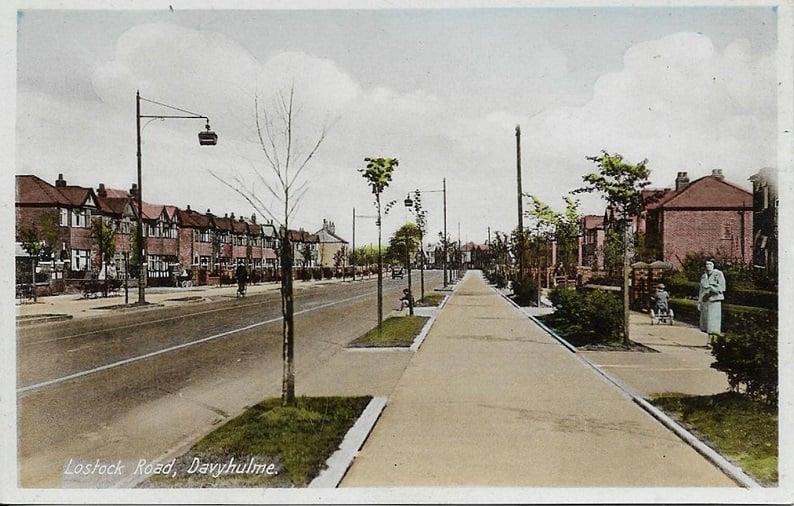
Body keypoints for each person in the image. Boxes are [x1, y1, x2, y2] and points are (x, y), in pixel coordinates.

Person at [698, 258, 726, 339]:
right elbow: (701, 290)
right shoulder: (704, 276)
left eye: (710, 264)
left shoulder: (718, 274)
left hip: (715, 300)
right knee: (706, 322)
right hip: (705, 301)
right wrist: (699, 302)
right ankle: (710, 339)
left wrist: (712, 288)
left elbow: (722, 287)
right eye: (707, 264)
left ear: (714, 265)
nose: (708, 266)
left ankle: (711, 341)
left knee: (713, 322)